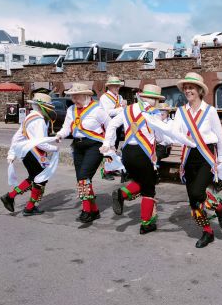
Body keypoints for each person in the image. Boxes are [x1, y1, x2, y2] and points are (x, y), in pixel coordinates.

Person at [172, 72, 222, 248]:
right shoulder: (181, 112)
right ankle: (208, 232)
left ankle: (219, 206)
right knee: (194, 201)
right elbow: (175, 132)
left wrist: (220, 159)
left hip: (206, 156)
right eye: (186, 88)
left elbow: (219, 136)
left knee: (198, 192)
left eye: (191, 87)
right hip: (189, 156)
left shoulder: (210, 111)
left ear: (199, 90)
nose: (188, 90)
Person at [102, 85, 166, 235]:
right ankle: (146, 223)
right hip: (142, 154)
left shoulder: (127, 110)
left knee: (141, 182)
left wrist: (107, 144)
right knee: (149, 188)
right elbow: (161, 138)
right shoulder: (153, 113)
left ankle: (122, 194)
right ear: (155, 100)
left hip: (127, 153)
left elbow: (112, 125)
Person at [55, 83, 110, 228]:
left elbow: (111, 127)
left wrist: (108, 144)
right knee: (81, 179)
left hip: (94, 146)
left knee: (84, 176)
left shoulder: (97, 109)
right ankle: (94, 210)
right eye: (72, 97)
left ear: (86, 96)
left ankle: (86, 211)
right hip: (78, 146)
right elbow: (66, 127)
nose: (74, 100)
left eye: (76, 96)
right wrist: (60, 135)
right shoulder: (71, 110)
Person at [0, 93, 58, 216]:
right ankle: (27, 206)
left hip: (27, 153)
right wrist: (55, 148)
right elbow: (41, 143)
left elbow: (17, 136)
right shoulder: (39, 121)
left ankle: (12, 198)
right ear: (43, 107)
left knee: (34, 178)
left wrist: (12, 153)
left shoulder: (29, 117)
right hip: (35, 153)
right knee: (40, 179)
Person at [99, 75, 126, 179]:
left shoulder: (120, 97)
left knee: (114, 146)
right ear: (109, 86)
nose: (117, 88)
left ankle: (113, 168)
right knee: (108, 146)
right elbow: (108, 112)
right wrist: (121, 108)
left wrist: (123, 108)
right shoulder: (104, 97)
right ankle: (106, 171)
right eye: (115, 86)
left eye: (118, 86)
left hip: (117, 125)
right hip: (107, 125)